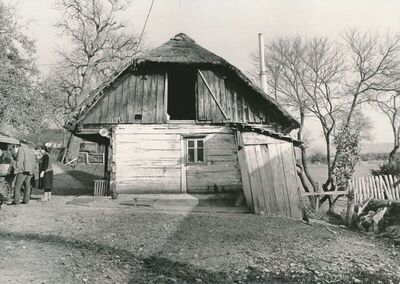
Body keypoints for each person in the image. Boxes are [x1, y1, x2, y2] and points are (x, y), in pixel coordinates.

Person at [13, 140, 35, 205]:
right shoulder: (30, 149)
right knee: (27, 186)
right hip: (30, 170)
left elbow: (20, 159)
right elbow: (33, 161)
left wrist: (17, 168)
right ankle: (26, 200)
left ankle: (16, 201)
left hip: (23, 171)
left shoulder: (21, 149)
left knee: (17, 186)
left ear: (21, 143)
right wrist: (32, 170)